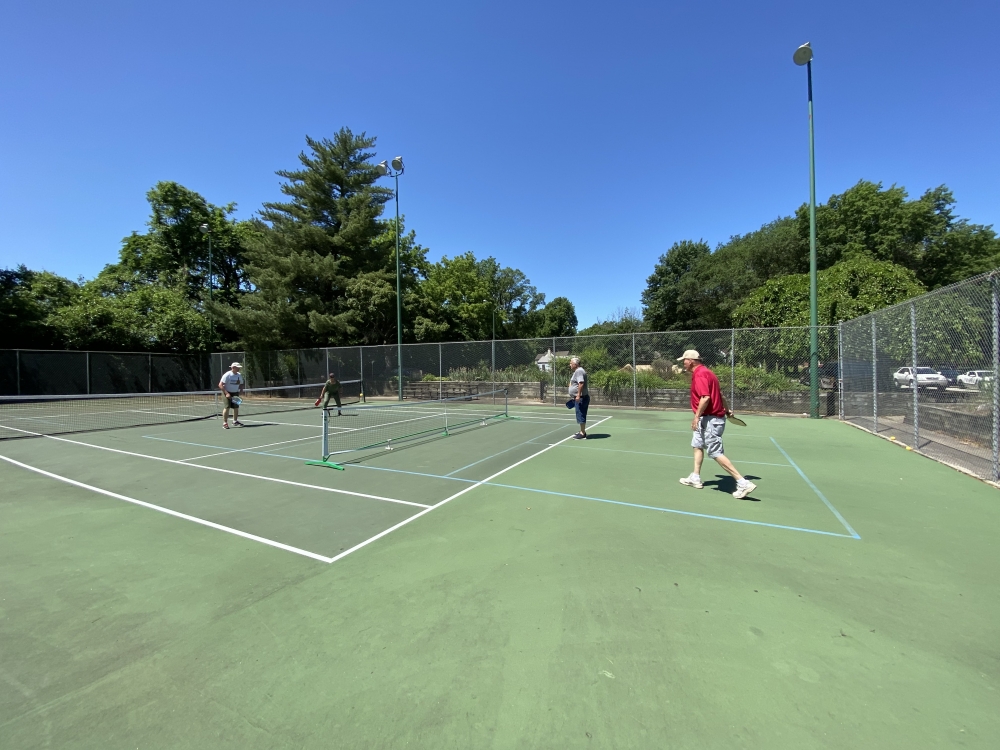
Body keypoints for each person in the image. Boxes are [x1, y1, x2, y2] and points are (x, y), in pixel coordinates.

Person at [677, 349, 756, 499]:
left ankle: (743, 482)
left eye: (684, 360)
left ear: (692, 361)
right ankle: (695, 477)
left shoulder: (700, 374)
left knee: (715, 453)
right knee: (697, 444)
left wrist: (696, 417)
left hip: (710, 419)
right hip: (708, 418)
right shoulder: (709, 373)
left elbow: (705, 398)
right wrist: (727, 409)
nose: (683, 363)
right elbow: (720, 395)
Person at [218, 361, 245, 429]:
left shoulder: (239, 375)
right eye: (237, 367)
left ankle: (235, 421)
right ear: (233, 367)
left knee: (236, 407)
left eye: (239, 367)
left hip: (235, 393)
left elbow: (241, 383)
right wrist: (227, 393)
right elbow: (220, 385)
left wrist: (241, 390)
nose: (239, 369)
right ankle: (225, 423)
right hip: (226, 392)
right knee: (227, 407)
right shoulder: (227, 375)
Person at [568, 356, 589, 439]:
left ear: (575, 364)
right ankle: (581, 431)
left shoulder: (579, 371)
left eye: (571, 363)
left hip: (581, 398)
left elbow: (581, 383)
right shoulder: (578, 371)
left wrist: (578, 395)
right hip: (580, 397)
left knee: (581, 414)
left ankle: (582, 433)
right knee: (580, 414)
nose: (570, 364)